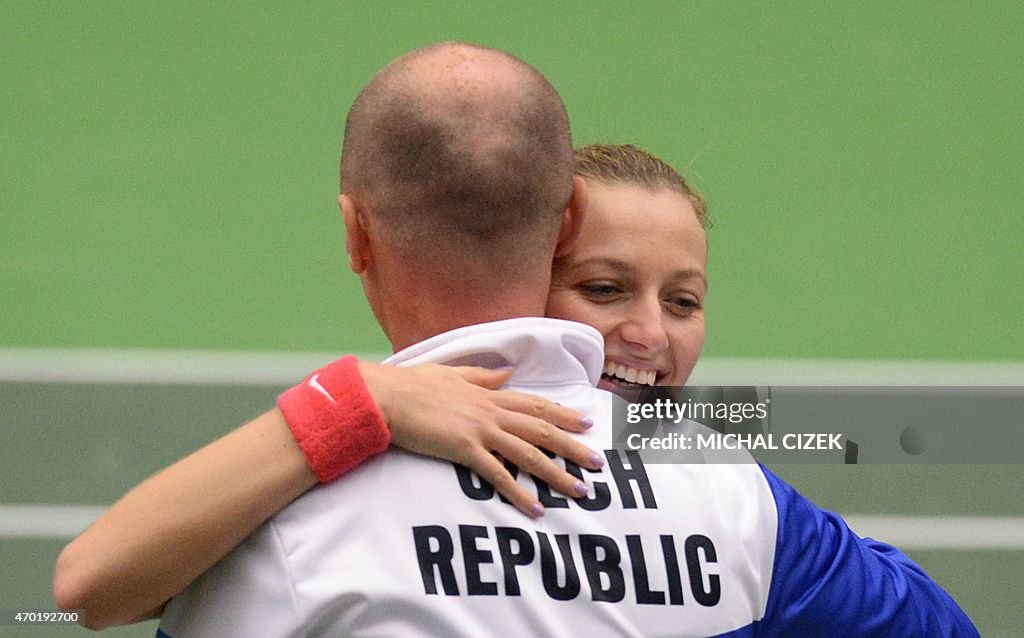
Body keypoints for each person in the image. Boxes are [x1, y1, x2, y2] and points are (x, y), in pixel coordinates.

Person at [144, 42, 974, 636]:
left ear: (357, 235)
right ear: (548, 241)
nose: (648, 332)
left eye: (684, 300)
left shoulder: (282, 519)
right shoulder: (740, 507)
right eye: (606, 289)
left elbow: (72, 598)